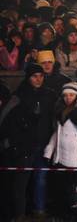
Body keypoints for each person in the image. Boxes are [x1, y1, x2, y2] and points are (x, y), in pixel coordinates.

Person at [0, 63, 56, 220]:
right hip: (24, 147)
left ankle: (39, 210)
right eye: (34, 76)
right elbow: (5, 118)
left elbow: (55, 117)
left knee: (41, 179)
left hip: (44, 145)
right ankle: (20, 214)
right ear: (28, 78)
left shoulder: (50, 95)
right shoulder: (19, 96)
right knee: (21, 182)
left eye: (41, 76)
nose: (38, 79)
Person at [43, 82, 77, 218]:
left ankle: (73, 217)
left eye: (71, 95)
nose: (68, 98)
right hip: (60, 157)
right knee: (60, 190)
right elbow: (57, 133)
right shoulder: (61, 110)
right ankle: (62, 215)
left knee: (73, 193)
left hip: (74, 160)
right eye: (65, 95)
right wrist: (49, 151)